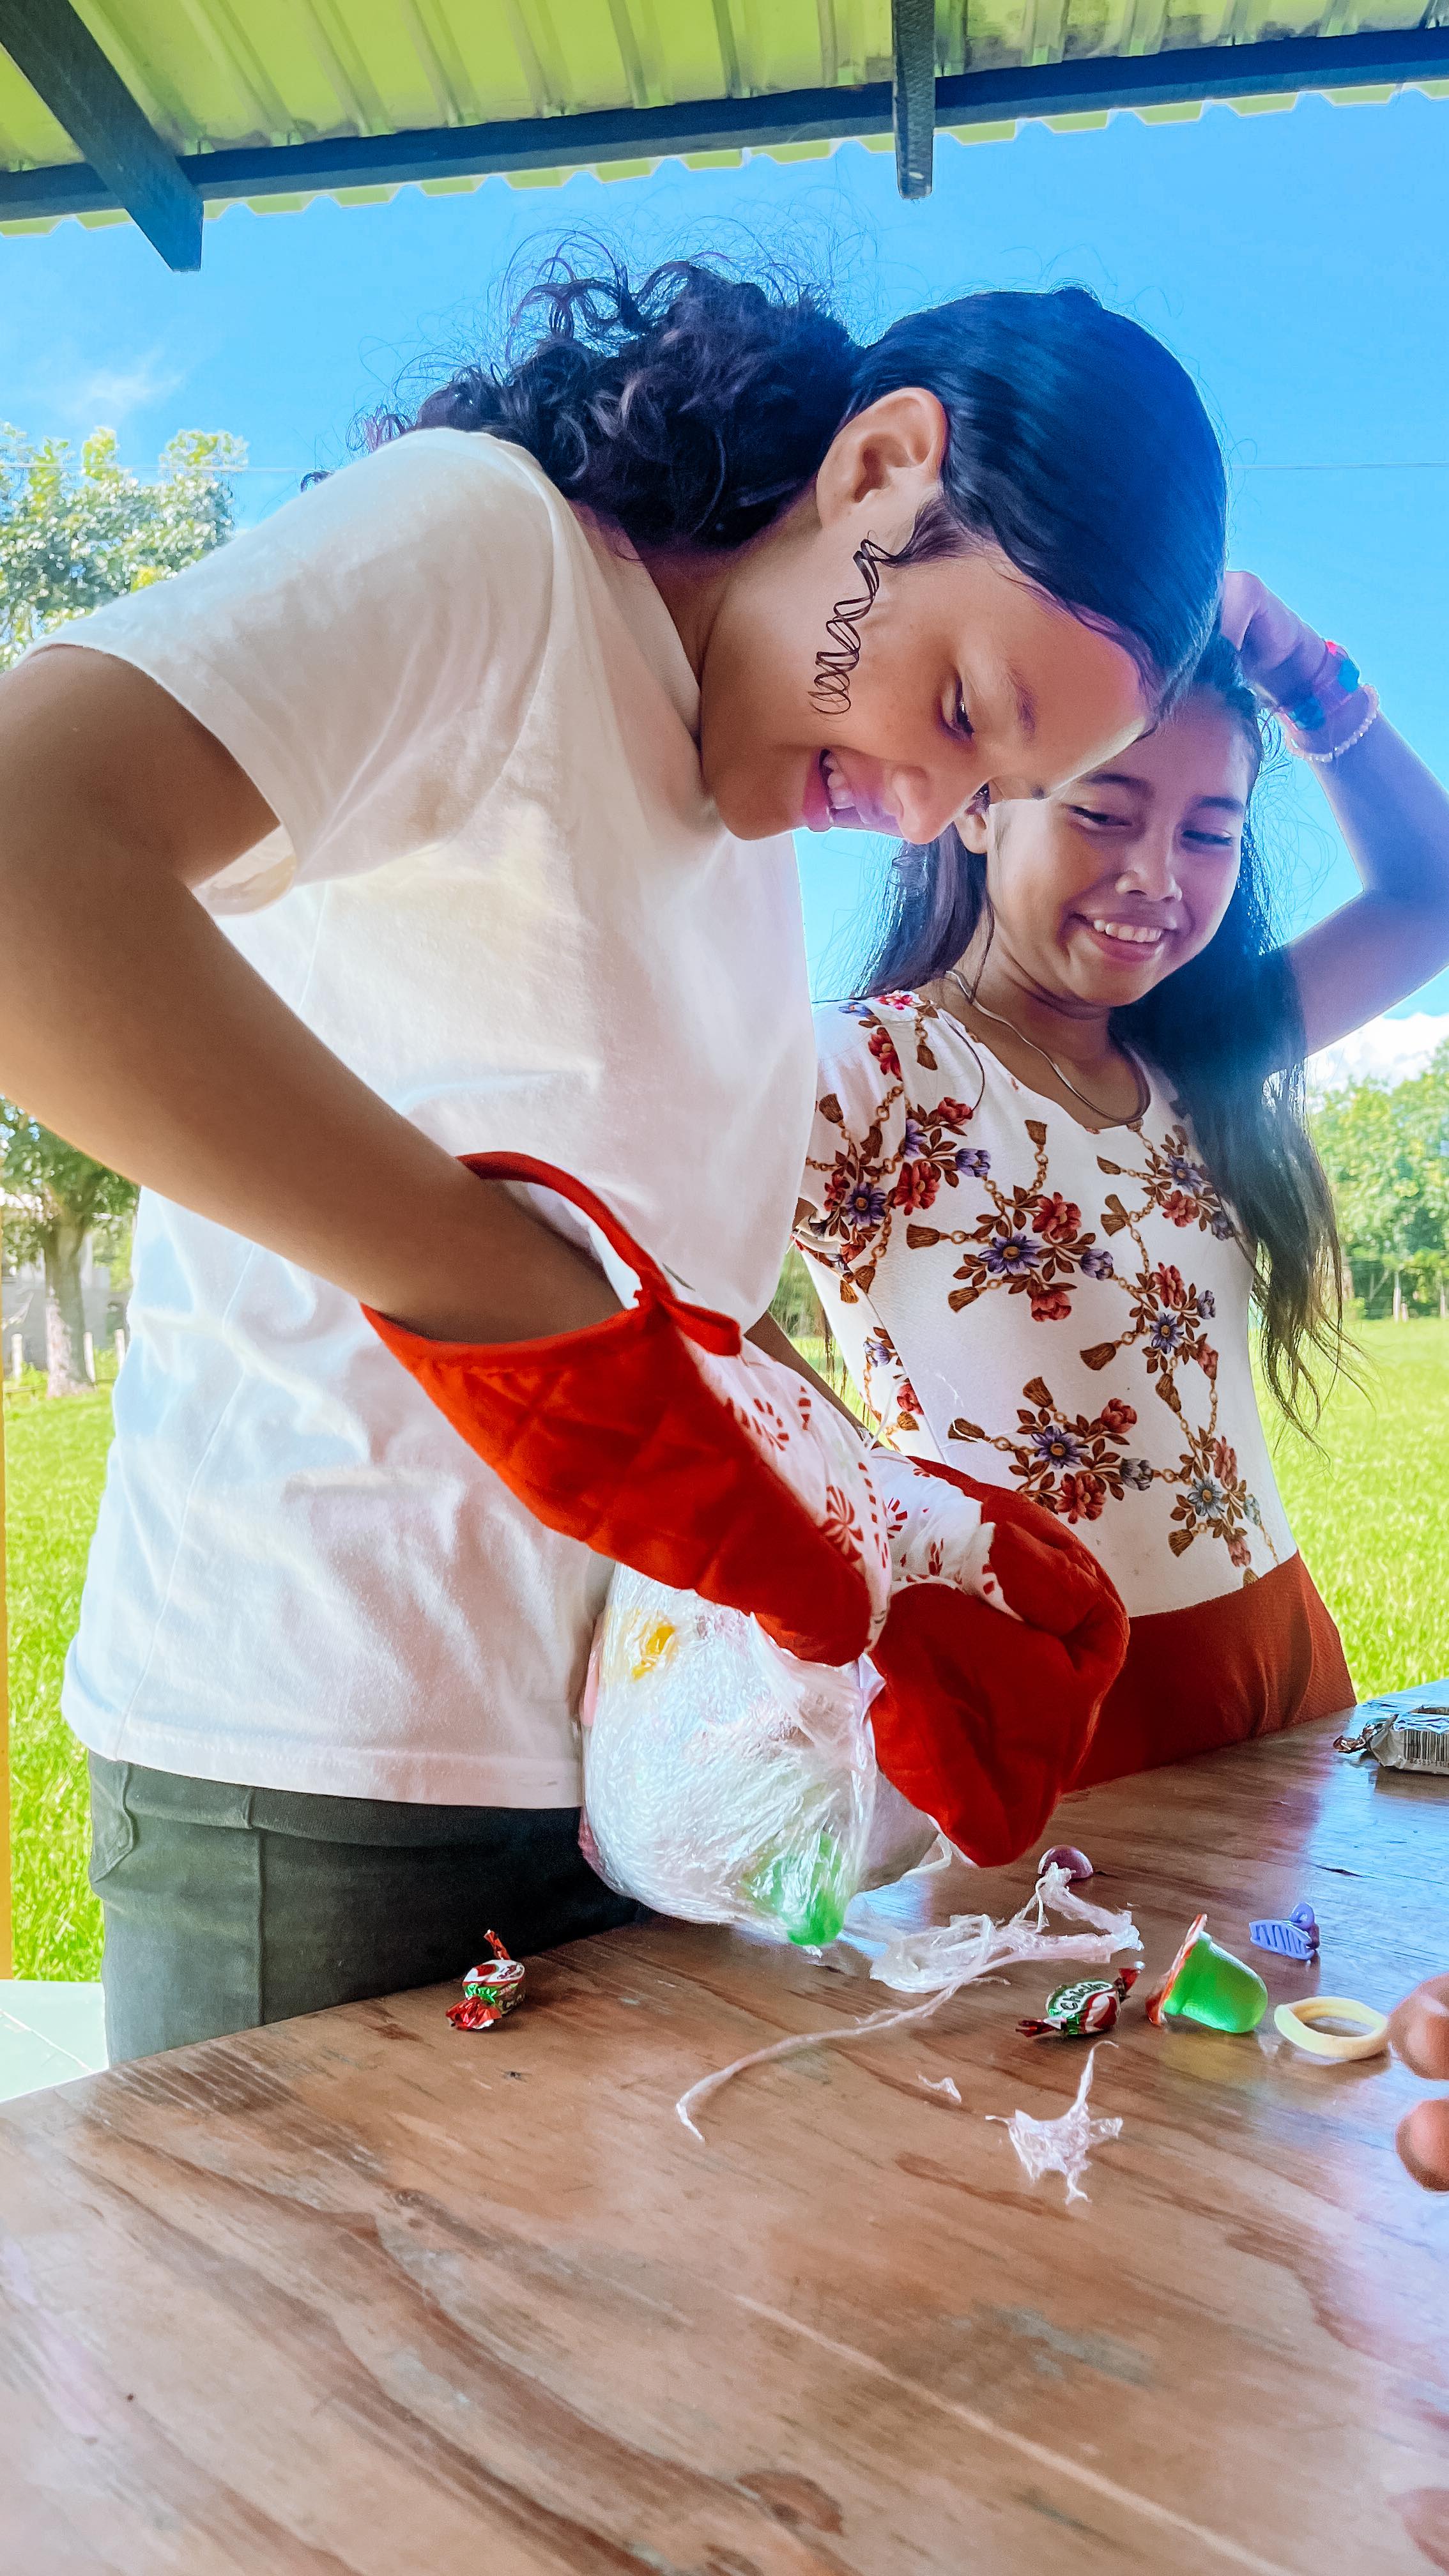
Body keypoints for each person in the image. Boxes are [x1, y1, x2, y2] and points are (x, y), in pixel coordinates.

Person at [0, 257, 1227, 2062]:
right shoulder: (496, 555)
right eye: (958, 712)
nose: (921, 816)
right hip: (324, 1770)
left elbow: (680, 1310)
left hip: (618, 1793)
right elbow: (32, 866)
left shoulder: (745, 824)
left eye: (979, 795)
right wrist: (524, 1328)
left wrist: (887, 1524)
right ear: (882, 466)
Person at [796, 576, 1449, 1782]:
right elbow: (644, 1250)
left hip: (1288, 1667)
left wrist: (1310, 676)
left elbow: (1430, 892)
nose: (1158, 874)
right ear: (980, 806)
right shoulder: (869, 1066)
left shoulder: (1199, 1061)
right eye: (1104, 811)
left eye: (1209, 831)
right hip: (1047, 1712)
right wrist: (861, 1500)